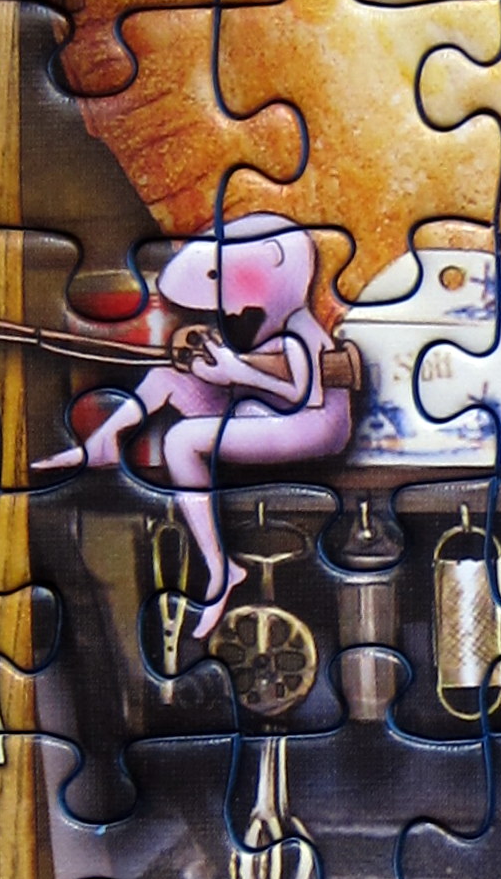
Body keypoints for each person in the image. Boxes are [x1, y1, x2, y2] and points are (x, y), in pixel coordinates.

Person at [35, 215, 352, 635]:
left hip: (314, 428)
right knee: (167, 374)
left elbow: (307, 398)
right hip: (270, 412)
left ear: (275, 260)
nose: (226, 305)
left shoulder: (301, 329)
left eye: (222, 280)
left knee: (181, 441)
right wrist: (220, 371)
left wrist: (237, 373)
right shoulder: (268, 328)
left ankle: (221, 570)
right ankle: (103, 442)